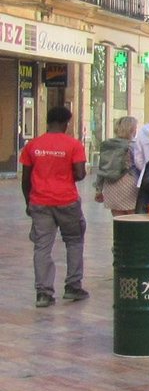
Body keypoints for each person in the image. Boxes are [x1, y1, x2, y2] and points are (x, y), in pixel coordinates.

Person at [21, 106, 88, 308]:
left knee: (42, 246)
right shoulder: (74, 145)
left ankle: (43, 292)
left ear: (48, 122)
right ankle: (73, 286)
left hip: (40, 202)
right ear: (66, 123)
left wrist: (29, 203)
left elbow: (25, 179)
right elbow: (80, 174)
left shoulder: (33, 145)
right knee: (74, 241)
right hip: (67, 201)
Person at [93, 115, 141, 216]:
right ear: (132, 129)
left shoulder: (107, 144)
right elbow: (140, 165)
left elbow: (102, 168)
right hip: (129, 184)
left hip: (111, 185)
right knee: (133, 219)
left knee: (118, 220)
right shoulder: (133, 146)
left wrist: (98, 189)